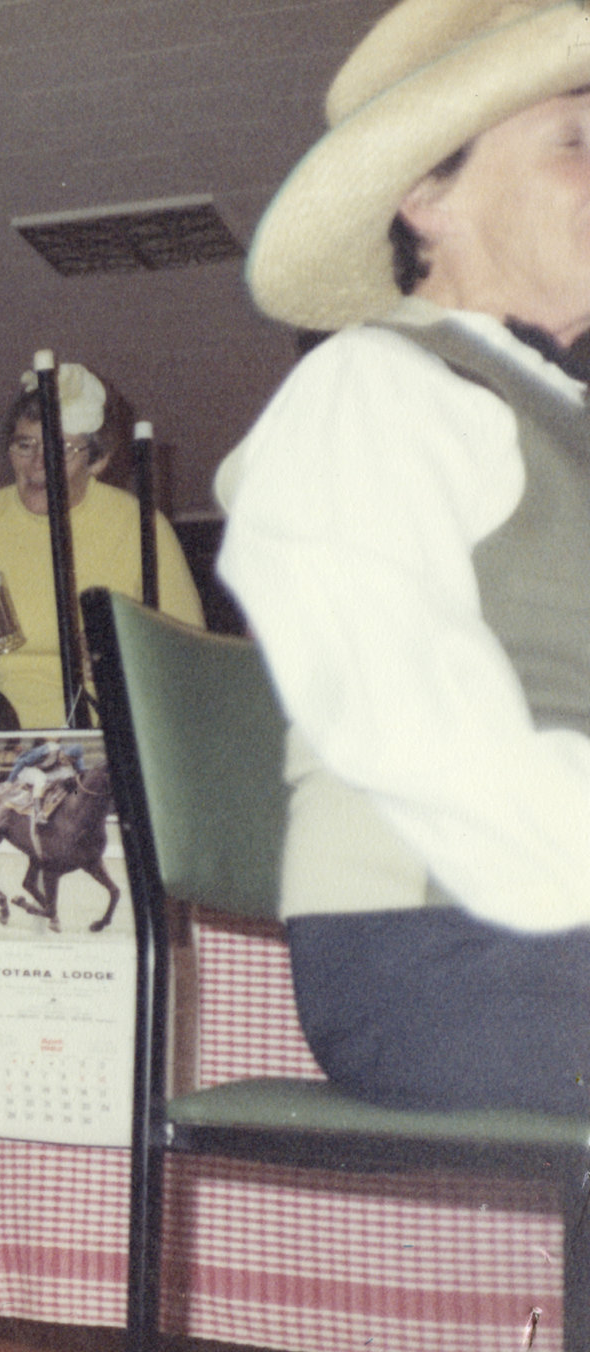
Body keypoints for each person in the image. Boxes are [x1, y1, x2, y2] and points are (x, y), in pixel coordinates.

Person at [215, 0, 590, 1117]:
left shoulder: (560, 417)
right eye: (572, 140)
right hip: (437, 947)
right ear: (426, 198)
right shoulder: (369, 390)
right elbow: (409, 730)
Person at [0, 363, 203, 729]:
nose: (37, 465)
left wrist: (127, 656)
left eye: (60, 449)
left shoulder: (139, 525)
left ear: (98, 460)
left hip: (103, 737)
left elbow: (193, 661)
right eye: (24, 445)